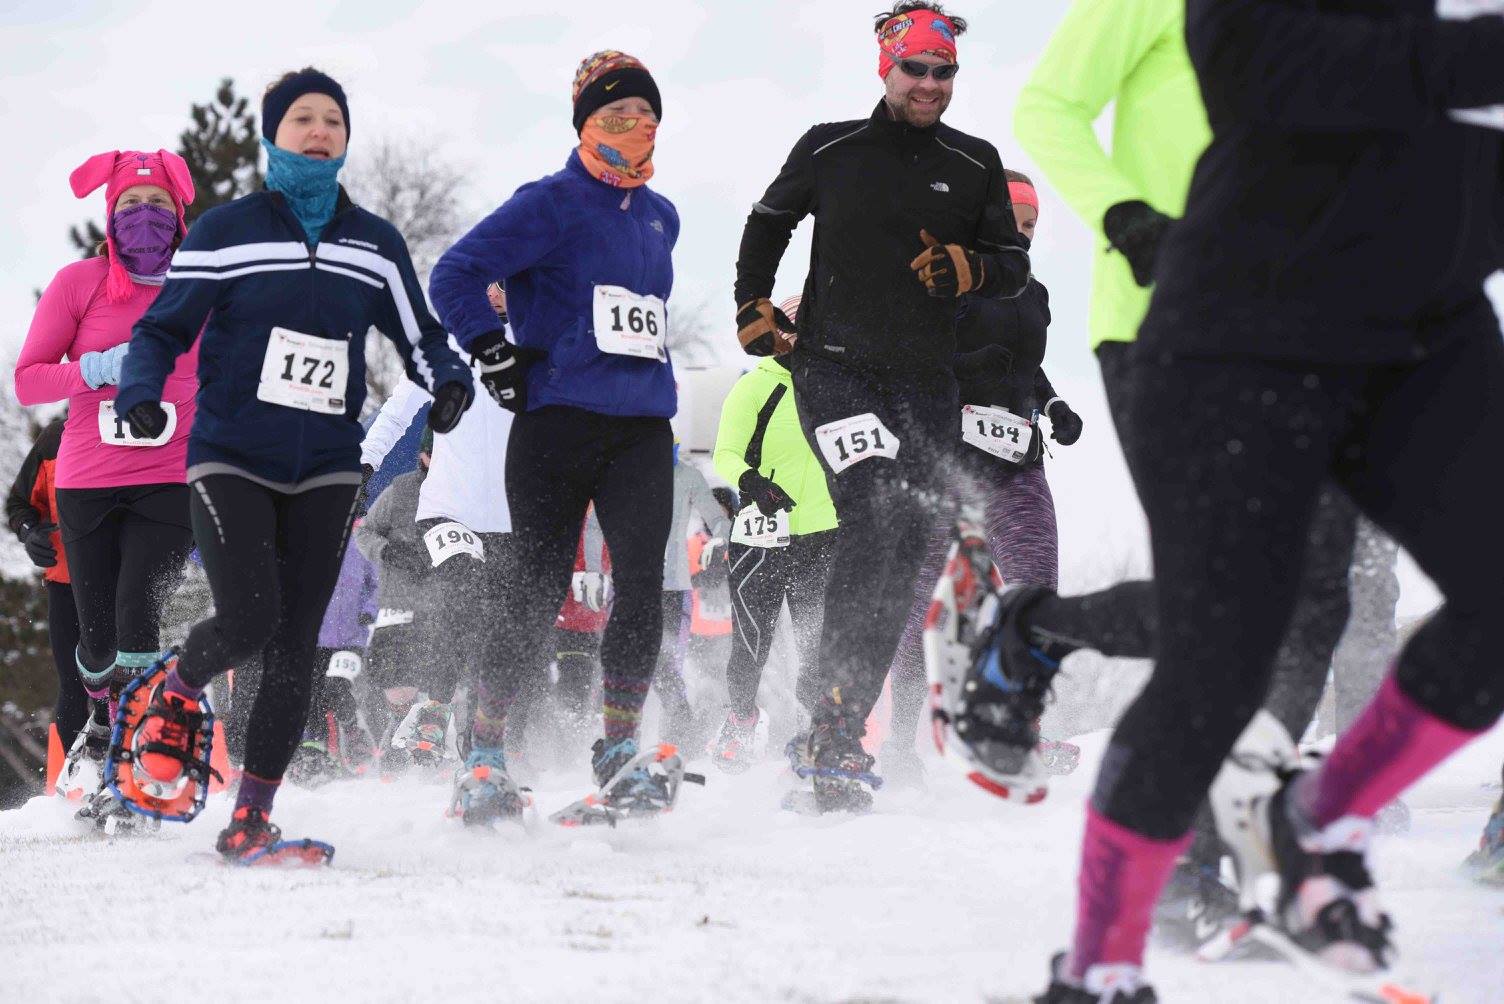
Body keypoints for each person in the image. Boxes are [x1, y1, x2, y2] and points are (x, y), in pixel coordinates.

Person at [1002, 5, 1504, 999]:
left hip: (1425, 321)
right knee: (1225, 650)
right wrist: (1123, 216)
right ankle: (1099, 966)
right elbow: (1254, 63)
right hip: (1244, 318)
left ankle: (1309, 826)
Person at [112, 68, 473, 861]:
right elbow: (165, 327)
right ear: (273, 135)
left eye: (332, 120)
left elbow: (419, 335)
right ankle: (176, 691)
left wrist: (448, 380)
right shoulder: (225, 232)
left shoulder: (374, 243)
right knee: (251, 614)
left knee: (297, 644)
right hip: (232, 457)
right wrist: (140, 388)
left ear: (346, 138)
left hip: (328, 469)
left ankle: (252, 816)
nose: (319, 131)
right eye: (302, 118)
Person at [734, 1, 1030, 811]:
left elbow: (1012, 263)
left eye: (944, 71)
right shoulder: (830, 147)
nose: (930, 83)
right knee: (871, 505)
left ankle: (837, 721)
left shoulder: (974, 162)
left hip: (925, 383)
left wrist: (971, 268)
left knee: (904, 547)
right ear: (886, 68)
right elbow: (769, 220)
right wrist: (751, 301)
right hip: (833, 370)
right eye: (916, 69)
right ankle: (830, 724)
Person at [428, 50, 681, 825]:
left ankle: (618, 749)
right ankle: (484, 752)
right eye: (615, 115)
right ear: (584, 124)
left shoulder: (662, 216)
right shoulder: (549, 202)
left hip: (643, 427)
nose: (633, 126)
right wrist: (493, 351)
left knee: (641, 583)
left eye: (645, 114)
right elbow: (453, 274)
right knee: (536, 589)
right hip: (557, 423)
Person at [13, 149, 200, 827]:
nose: (144, 216)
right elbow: (28, 380)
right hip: (88, 480)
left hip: (170, 477)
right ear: (109, 216)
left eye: (157, 204)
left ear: (179, 215)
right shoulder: (79, 283)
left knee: (136, 612)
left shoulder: (202, 286)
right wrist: (94, 368)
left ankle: (133, 769)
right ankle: (102, 721)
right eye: (130, 204)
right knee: (94, 645)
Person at [882, 172, 1082, 785]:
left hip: (1017, 462)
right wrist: (970, 364)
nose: (1023, 235)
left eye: (1032, 226)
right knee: (926, 602)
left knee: (1035, 593)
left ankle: (1020, 727)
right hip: (948, 461)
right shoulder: (946, 282)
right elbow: (912, 359)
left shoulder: (1035, 293)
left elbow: (1030, 370)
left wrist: (1054, 406)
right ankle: (899, 740)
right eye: (1014, 222)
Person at [359, 366, 516, 773]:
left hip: (506, 512)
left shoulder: (525, 345)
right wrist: (364, 463)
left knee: (496, 629)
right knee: (463, 596)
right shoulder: (438, 351)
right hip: (447, 510)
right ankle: (434, 709)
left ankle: (481, 739)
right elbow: (396, 412)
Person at [710, 296, 838, 773]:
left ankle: (816, 730)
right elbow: (725, 453)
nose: (803, 339)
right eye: (794, 329)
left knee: (817, 644)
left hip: (822, 535)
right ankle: (741, 719)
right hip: (760, 536)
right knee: (751, 642)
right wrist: (753, 483)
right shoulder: (756, 385)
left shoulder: (833, 388)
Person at [5, 418, 88, 785]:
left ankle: (130, 779)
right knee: (73, 686)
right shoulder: (55, 437)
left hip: (124, 585)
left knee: (125, 683)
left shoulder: (141, 424)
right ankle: (71, 785)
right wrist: (29, 532)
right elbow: (19, 505)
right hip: (65, 584)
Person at [651, 441, 731, 751]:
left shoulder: (739, 546)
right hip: (694, 630)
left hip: (727, 633)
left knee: (722, 687)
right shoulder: (692, 544)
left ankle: (713, 737)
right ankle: (680, 735)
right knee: (680, 678)